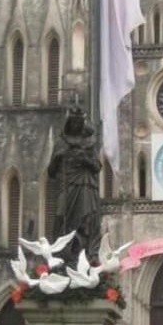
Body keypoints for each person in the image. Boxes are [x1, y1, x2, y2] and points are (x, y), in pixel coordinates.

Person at [48, 104, 102, 264]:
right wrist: (58, 157)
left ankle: (87, 253)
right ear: (69, 124)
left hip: (85, 185)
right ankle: (60, 252)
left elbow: (97, 167)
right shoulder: (61, 143)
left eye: (79, 123)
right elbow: (51, 172)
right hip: (67, 184)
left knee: (87, 218)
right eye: (73, 122)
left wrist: (84, 159)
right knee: (60, 216)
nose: (76, 125)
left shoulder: (88, 144)